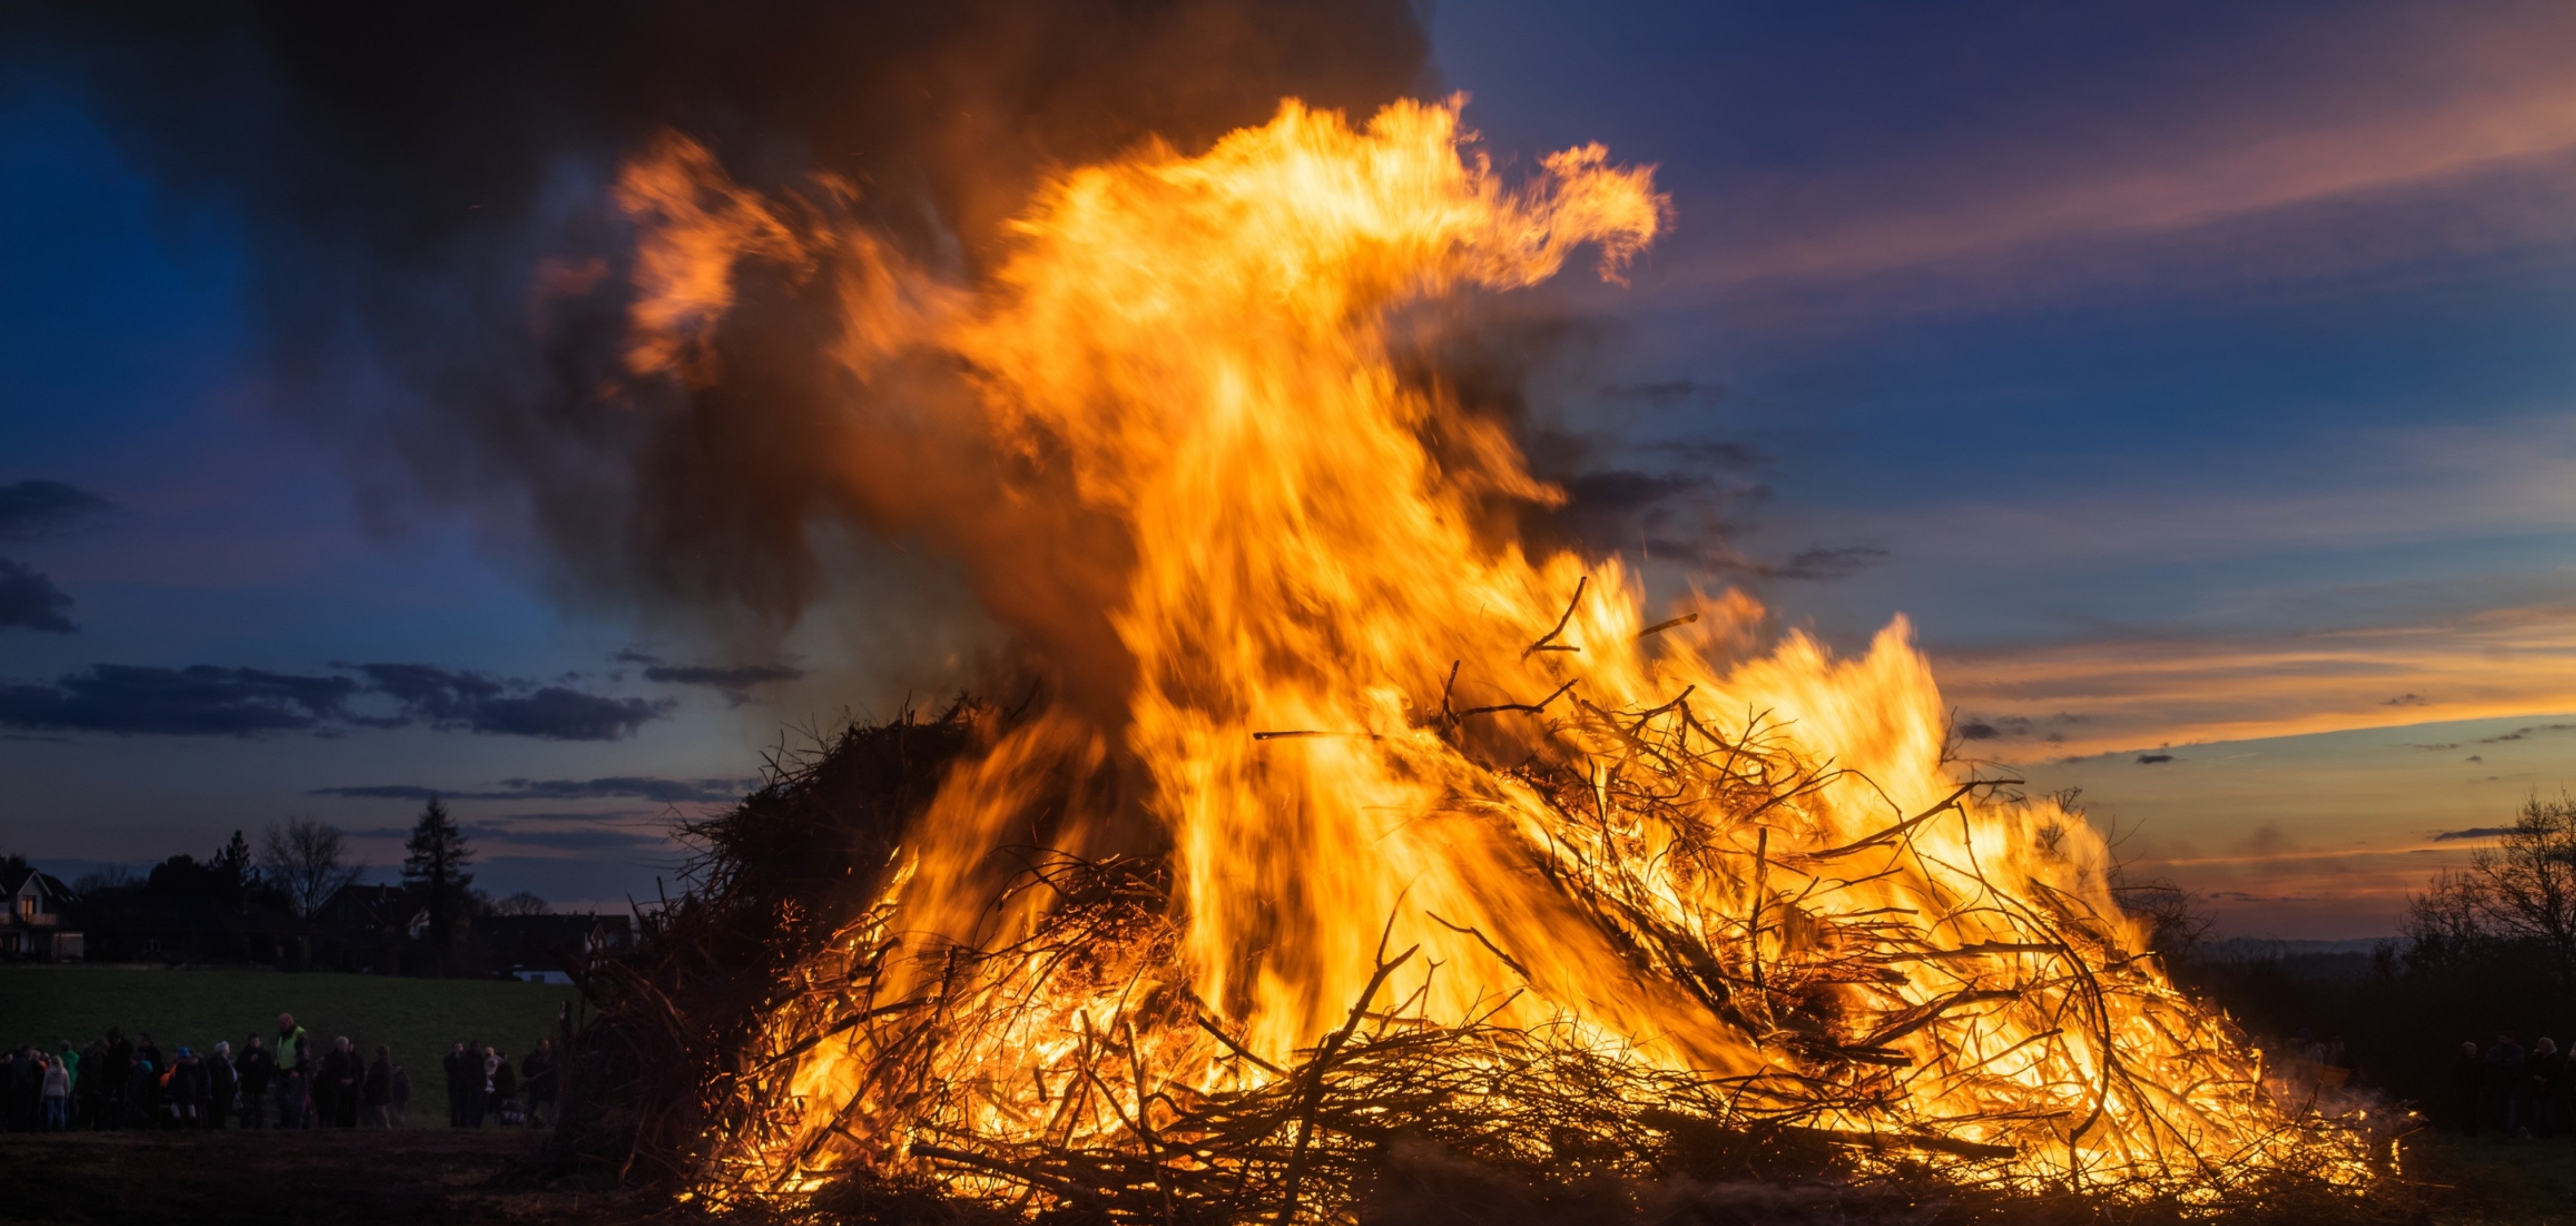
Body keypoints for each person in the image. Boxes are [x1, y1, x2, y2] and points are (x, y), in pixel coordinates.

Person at [2488, 1031, 2530, 1138]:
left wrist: (2501, 1062)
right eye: (2501, 1039)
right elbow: (2488, 1061)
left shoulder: (2517, 1050)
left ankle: (2512, 1132)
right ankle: (2504, 1130)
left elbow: (2516, 1063)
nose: (2502, 1041)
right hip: (2499, 1084)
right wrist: (2504, 1061)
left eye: (2504, 1039)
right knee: (2501, 1109)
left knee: (2512, 1109)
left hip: (2513, 1084)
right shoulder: (2496, 1050)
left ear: (2511, 1039)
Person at [273, 1014, 310, 1129]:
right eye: (279, 1023)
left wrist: (298, 1070)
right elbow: (280, 1053)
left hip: (295, 1072)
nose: (280, 1026)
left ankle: (296, 1125)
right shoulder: (282, 1036)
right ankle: (287, 1122)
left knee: (296, 1101)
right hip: (282, 1072)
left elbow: (304, 1055)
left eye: (282, 1023)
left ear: (290, 1022)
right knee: (280, 1097)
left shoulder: (300, 1036)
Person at [320, 1037, 362, 1128]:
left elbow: (355, 1071)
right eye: (344, 1045)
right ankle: (331, 1126)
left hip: (348, 1087)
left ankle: (344, 1126)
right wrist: (340, 1080)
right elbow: (328, 1073)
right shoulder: (331, 1058)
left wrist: (352, 1080)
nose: (346, 1047)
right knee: (333, 1107)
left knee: (345, 1107)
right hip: (334, 1087)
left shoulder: (351, 1057)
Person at [2534, 1038, 2568, 1141]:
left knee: (2548, 1112)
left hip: (2550, 1090)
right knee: (2540, 1113)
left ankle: (2549, 1134)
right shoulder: (2537, 1058)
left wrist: (2547, 1080)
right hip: (2539, 1089)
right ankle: (2541, 1133)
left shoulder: (2555, 1060)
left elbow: (2560, 1075)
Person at [236, 1036, 273, 1129]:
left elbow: (270, 1068)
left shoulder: (264, 1054)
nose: (255, 1043)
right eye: (253, 1042)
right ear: (250, 1043)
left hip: (259, 1085)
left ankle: (259, 1126)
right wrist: (250, 1062)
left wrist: (266, 1080)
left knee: (259, 1106)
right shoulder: (245, 1053)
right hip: (248, 1084)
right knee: (246, 1106)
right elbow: (239, 1066)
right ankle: (244, 1126)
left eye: (257, 1041)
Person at [521, 1039, 557, 1129]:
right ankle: (528, 1125)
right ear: (539, 1046)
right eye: (545, 1045)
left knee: (547, 1109)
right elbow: (525, 1071)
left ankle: (546, 1125)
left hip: (546, 1089)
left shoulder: (549, 1058)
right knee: (531, 1108)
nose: (546, 1047)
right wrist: (533, 1074)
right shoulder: (532, 1058)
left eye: (547, 1045)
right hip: (535, 1087)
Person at [207, 1041, 237, 1129]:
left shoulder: (220, 1060)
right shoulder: (220, 1061)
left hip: (222, 1089)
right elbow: (221, 1076)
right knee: (220, 1109)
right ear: (224, 1051)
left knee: (220, 1108)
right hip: (221, 1089)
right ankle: (219, 1125)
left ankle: (218, 1125)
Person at [364, 1045, 393, 1128]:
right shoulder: (384, 1063)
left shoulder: (382, 1064)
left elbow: (378, 1078)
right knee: (380, 1110)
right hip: (380, 1091)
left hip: (380, 1091)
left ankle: (386, 1127)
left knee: (380, 1110)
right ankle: (383, 1127)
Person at [489, 1048, 518, 1126]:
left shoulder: (503, 1068)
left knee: (499, 1113)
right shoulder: (506, 1067)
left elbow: (502, 1081)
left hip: (502, 1094)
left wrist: (494, 1079)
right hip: (505, 1094)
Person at [442, 1042, 468, 1128]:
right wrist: (456, 1059)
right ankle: (454, 1126)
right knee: (455, 1107)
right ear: (453, 1049)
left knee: (464, 1107)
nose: (459, 1049)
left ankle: (463, 1125)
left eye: (460, 1047)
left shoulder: (466, 1058)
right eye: (457, 1047)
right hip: (453, 1086)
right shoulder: (449, 1058)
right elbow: (448, 1069)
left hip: (464, 1086)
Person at [390, 1060, 411, 1127]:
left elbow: (407, 1089)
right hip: (395, 1098)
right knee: (396, 1114)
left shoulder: (402, 1077)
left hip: (400, 1099)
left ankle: (403, 1126)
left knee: (399, 1115)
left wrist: (404, 1099)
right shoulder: (397, 1076)